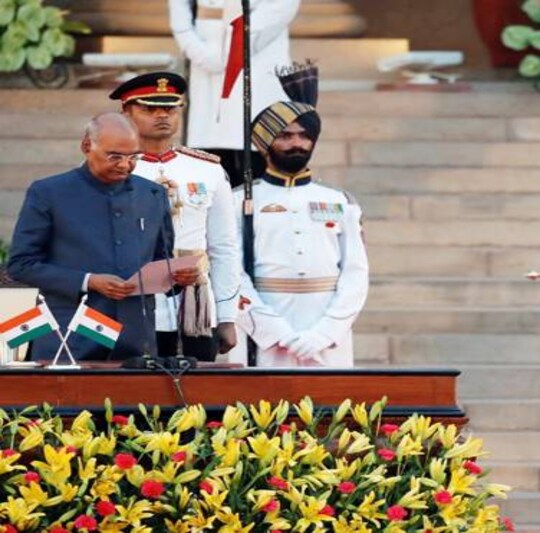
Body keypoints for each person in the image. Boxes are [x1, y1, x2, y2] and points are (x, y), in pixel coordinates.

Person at [6, 113, 199, 361]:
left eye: (133, 157)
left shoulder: (152, 194)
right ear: (87, 147)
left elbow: (160, 260)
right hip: (69, 336)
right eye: (115, 156)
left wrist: (178, 277)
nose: (125, 165)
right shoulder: (49, 192)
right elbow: (21, 265)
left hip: (135, 338)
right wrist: (89, 281)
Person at [111, 71, 242, 361]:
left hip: (193, 302)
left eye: (170, 108)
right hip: (131, 298)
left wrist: (227, 315)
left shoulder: (206, 169)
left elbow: (224, 246)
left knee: (196, 397)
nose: (162, 116)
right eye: (149, 108)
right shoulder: (111, 168)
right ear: (126, 112)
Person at [233, 91, 369, 367]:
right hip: (262, 331)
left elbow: (356, 273)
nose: (297, 143)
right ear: (264, 143)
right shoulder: (239, 200)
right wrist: (276, 333)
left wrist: (325, 333)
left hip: (327, 332)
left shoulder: (339, 200)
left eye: (304, 135)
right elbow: (230, 273)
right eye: (285, 135)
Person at [168, 0, 300, 184]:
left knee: (255, 167)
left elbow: (277, 11)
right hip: (204, 76)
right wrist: (194, 47)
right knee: (208, 171)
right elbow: (180, 12)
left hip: (257, 71)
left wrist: (219, 53)